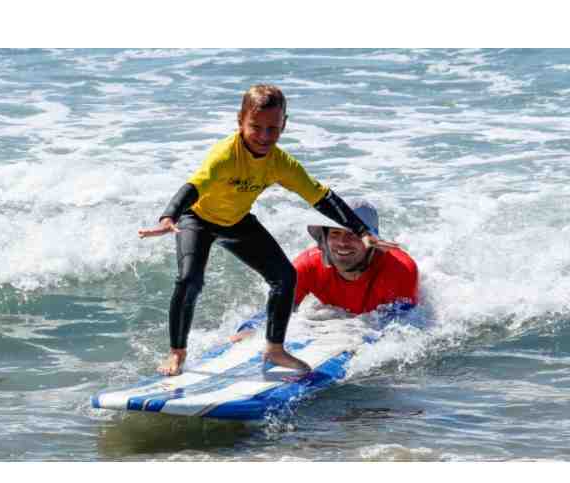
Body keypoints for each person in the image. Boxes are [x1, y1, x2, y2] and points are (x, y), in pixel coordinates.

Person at [138, 84, 397, 376]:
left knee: (285, 277)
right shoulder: (225, 155)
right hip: (197, 219)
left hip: (236, 221)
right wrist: (169, 215)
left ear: (283, 125)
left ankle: (275, 349)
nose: (264, 136)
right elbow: (194, 186)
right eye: (255, 127)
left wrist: (361, 230)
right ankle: (177, 353)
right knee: (189, 280)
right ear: (240, 122)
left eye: (272, 129)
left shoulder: (280, 163)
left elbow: (320, 196)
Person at [232, 199, 418, 340]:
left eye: (352, 235)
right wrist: (251, 329)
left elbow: (400, 329)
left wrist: (356, 335)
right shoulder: (307, 266)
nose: (342, 243)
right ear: (324, 239)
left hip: (374, 322)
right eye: (335, 233)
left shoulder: (400, 270)